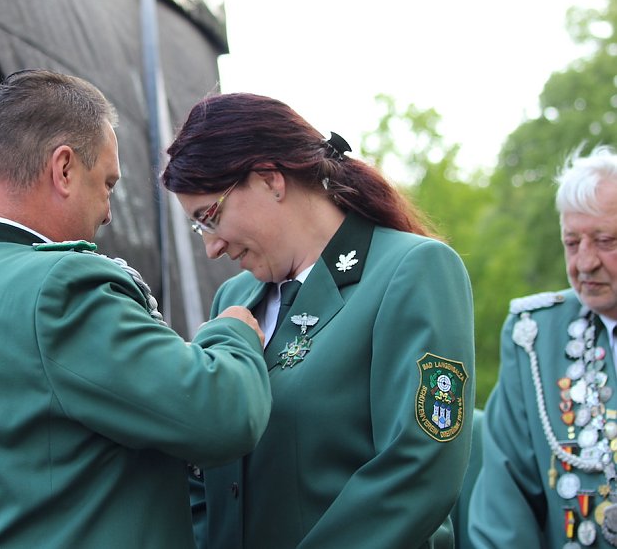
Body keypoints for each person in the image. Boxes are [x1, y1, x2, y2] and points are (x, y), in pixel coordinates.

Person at [0, 70, 273, 548]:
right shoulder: (59, 288)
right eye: (107, 183)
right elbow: (223, 414)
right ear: (64, 169)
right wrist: (230, 334)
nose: (108, 212)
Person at [161, 92, 476, 549]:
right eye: (198, 228)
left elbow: (419, 466)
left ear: (270, 179)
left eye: (210, 217)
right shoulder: (234, 301)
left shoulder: (411, 270)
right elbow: (207, 473)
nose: (212, 247)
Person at [468, 145, 617, 548]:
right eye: (572, 242)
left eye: (605, 241)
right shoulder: (535, 334)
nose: (584, 264)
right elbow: (504, 501)